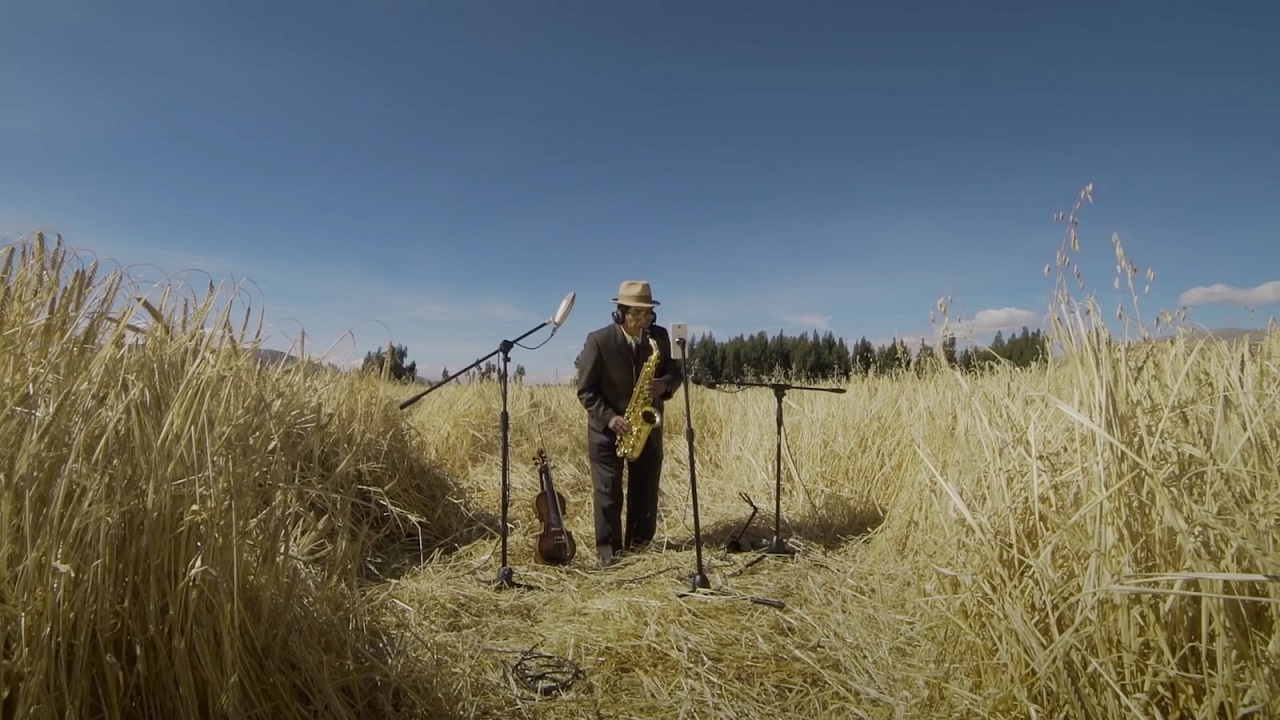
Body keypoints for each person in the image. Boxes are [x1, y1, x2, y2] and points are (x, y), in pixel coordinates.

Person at [576, 280, 684, 567]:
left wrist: (665, 384)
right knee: (608, 495)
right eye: (637, 314)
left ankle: (639, 549)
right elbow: (586, 391)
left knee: (645, 491)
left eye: (648, 314)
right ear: (619, 314)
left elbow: (676, 373)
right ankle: (609, 557)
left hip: (646, 429)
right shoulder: (598, 341)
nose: (644, 320)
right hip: (607, 431)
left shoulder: (660, 337)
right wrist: (610, 418)